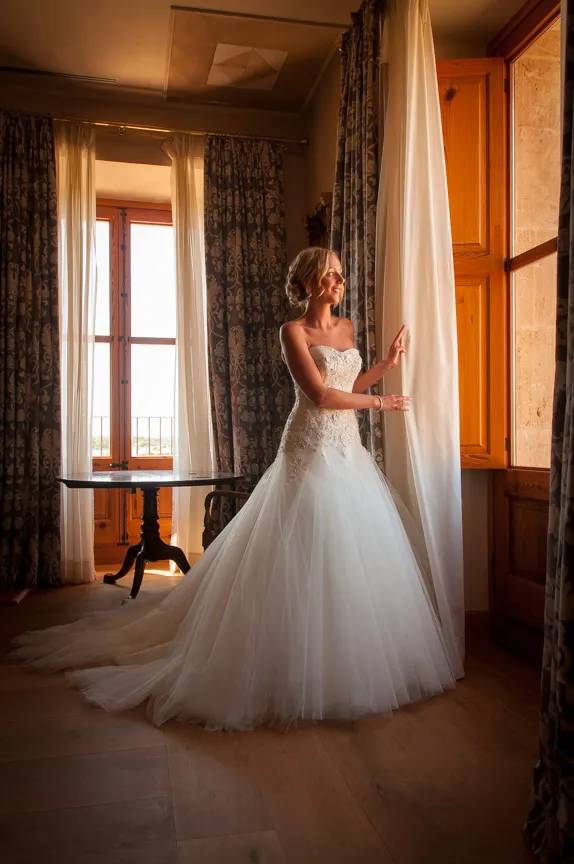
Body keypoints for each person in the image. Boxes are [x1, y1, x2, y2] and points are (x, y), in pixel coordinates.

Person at [11, 247, 456, 731]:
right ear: (307, 283)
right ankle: (282, 664)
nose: (337, 280)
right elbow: (322, 395)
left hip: (348, 449)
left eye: (340, 274)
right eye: (327, 274)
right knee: (300, 548)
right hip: (308, 446)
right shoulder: (292, 332)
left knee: (350, 552)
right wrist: (381, 401)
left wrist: (386, 364)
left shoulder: (347, 330)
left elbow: (349, 380)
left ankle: (344, 663)